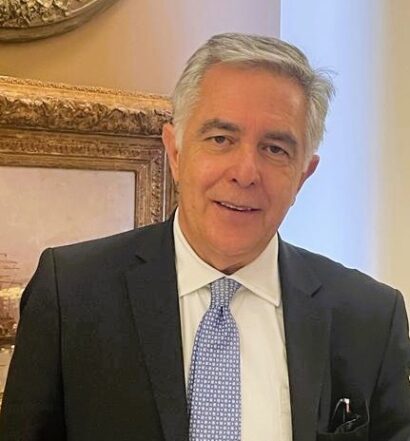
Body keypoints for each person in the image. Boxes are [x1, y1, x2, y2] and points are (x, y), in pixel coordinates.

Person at [0, 33, 409, 441]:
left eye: (275, 149)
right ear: (176, 153)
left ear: (303, 175)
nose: (245, 173)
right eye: (220, 139)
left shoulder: (370, 318)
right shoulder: (71, 294)